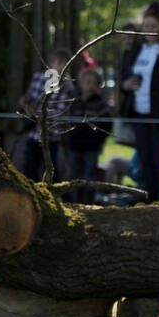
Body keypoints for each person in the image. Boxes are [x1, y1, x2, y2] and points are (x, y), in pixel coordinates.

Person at [118, 2, 159, 204]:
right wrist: (126, 84)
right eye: (146, 27)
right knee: (146, 164)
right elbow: (123, 77)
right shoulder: (136, 51)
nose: (149, 31)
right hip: (139, 116)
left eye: (154, 27)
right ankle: (147, 207)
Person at [15, 48, 76, 182]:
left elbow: (60, 111)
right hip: (33, 134)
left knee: (51, 172)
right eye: (58, 62)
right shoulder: (39, 77)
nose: (60, 66)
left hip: (52, 136)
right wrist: (27, 106)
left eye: (64, 63)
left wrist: (38, 113)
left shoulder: (67, 86)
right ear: (52, 63)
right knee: (29, 169)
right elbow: (27, 99)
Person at [65, 67, 111, 203]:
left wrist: (98, 140)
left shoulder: (100, 104)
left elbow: (107, 125)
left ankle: (88, 204)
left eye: (94, 83)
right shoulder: (73, 101)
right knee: (74, 176)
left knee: (89, 176)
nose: (90, 86)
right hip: (74, 146)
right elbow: (66, 120)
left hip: (91, 148)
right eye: (87, 82)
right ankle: (75, 204)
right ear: (81, 83)